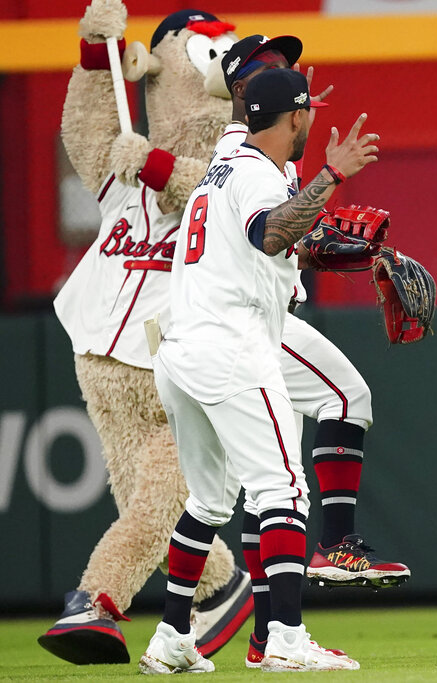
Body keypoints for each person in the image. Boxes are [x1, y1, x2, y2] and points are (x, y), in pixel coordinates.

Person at [138, 68, 377, 673]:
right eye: (307, 115)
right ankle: (286, 641)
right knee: (284, 491)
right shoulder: (253, 173)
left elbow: (263, 246)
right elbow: (269, 234)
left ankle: (171, 636)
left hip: (181, 347)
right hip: (231, 347)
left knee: (209, 500)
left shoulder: (220, 172)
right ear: (296, 117)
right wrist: (333, 174)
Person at [42, 4, 251, 664]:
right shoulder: (120, 173)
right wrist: (95, 53)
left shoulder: (243, 162)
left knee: (156, 505)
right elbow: (87, 131)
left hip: (186, 368)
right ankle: (226, 583)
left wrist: (161, 166)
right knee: (146, 503)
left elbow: (226, 197)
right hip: (104, 360)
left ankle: (97, 601)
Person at [217, 34, 410, 668]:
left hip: (237, 317)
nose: (287, 69)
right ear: (243, 89)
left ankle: (263, 636)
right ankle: (335, 544)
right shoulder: (243, 156)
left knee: (259, 489)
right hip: (247, 321)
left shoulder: (261, 158)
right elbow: (271, 234)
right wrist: (329, 182)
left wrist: (356, 250)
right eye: (269, 67)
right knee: (345, 397)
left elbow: (289, 237)